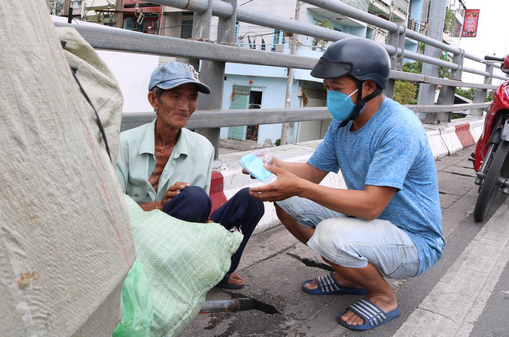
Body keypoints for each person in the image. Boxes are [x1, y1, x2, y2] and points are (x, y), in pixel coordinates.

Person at [248, 37, 444, 330]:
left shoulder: (399, 127)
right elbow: (313, 172)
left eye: (337, 89)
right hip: (370, 225)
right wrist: (274, 166)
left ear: (367, 87)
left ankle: (383, 295)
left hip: (414, 240)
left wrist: (299, 186)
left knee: (330, 234)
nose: (330, 97)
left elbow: (370, 207)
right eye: (327, 88)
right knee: (286, 202)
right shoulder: (344, 122)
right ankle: (349, 275)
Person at [116, 61, 264, 289]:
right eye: (175, 96)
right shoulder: (124, 144)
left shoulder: (203, 148)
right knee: (190, 197)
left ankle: (218, 271)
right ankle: (181, 274)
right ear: (154, 99)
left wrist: (213, 232)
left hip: (183, 236)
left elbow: (198, 212)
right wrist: (160, 206)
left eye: (192, 98)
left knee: (251, 199)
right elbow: (112, 211)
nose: (185, 106)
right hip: (139, 240)